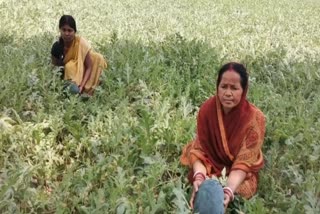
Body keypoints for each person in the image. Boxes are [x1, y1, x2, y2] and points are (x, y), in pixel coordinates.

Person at [180, 62, 266, 213]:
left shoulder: (255, 118)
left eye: (234, 88)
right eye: (224, 86)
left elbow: (244, 162)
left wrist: (228, 191)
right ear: (217, 87)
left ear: (244, 90)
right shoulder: (207, 110)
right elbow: (201, 150)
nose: (228, 93)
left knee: (245, 188)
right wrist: (199, 177)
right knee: (198, 176)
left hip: (239, 171)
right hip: (210, 165)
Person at [51, 15, 107, 95]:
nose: (66, 33)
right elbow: (54, 68)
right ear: (60, 30)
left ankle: (88, 89)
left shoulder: (81, 43)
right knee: (70, 67)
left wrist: (82, 86)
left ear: (74, 32)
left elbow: (89, 67)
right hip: (66, 78)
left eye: (70, 30)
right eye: (64, 30)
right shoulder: (56, 47)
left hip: (83, 75)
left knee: (98, 58)